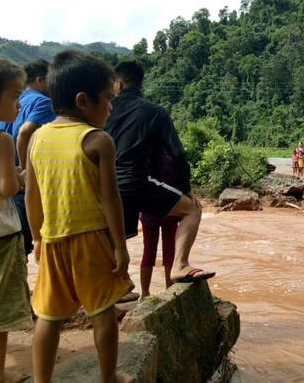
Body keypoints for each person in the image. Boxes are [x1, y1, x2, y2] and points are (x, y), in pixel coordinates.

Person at [26, 51, 134, 383]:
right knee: (102, 312)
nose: (111, 107)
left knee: (48, 315)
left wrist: (37, 239)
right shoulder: (98, 140)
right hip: (91, 239)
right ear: (83, 101)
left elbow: (32, 195)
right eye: (108, 99)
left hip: (54, 238)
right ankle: (108, 378)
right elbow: (111, 200)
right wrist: (120, 246)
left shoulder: (37, 138)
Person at [105, 60, 214, 283]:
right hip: (136, 183)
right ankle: (180, 266)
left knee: (112, 237)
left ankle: (111, 289)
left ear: (118, 83)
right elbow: (179, 154)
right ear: (140, 83)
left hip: (104, 186)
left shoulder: (102, 110)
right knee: (192, 211)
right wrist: (186, 191)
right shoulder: (155, 112)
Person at [0, 55, 32, 383]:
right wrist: (22, 176)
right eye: (15, 97)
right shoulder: (0, 139)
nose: (19, 105)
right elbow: (5, 189)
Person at [0, 58, 55, 256]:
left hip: (7, 175)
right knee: (29, 239)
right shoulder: (43, 102)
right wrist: (25, 168)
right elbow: (25, 132)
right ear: (40, 80)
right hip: (25, 180)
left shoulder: (14, 101)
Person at [139, 150, 181, 298]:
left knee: (149, 252)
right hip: (170, 207)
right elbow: (179, 181)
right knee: (169, 251)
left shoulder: (145, 152)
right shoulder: (172, 153)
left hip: (148, 208)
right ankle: (170, 293)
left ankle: (144, 293)